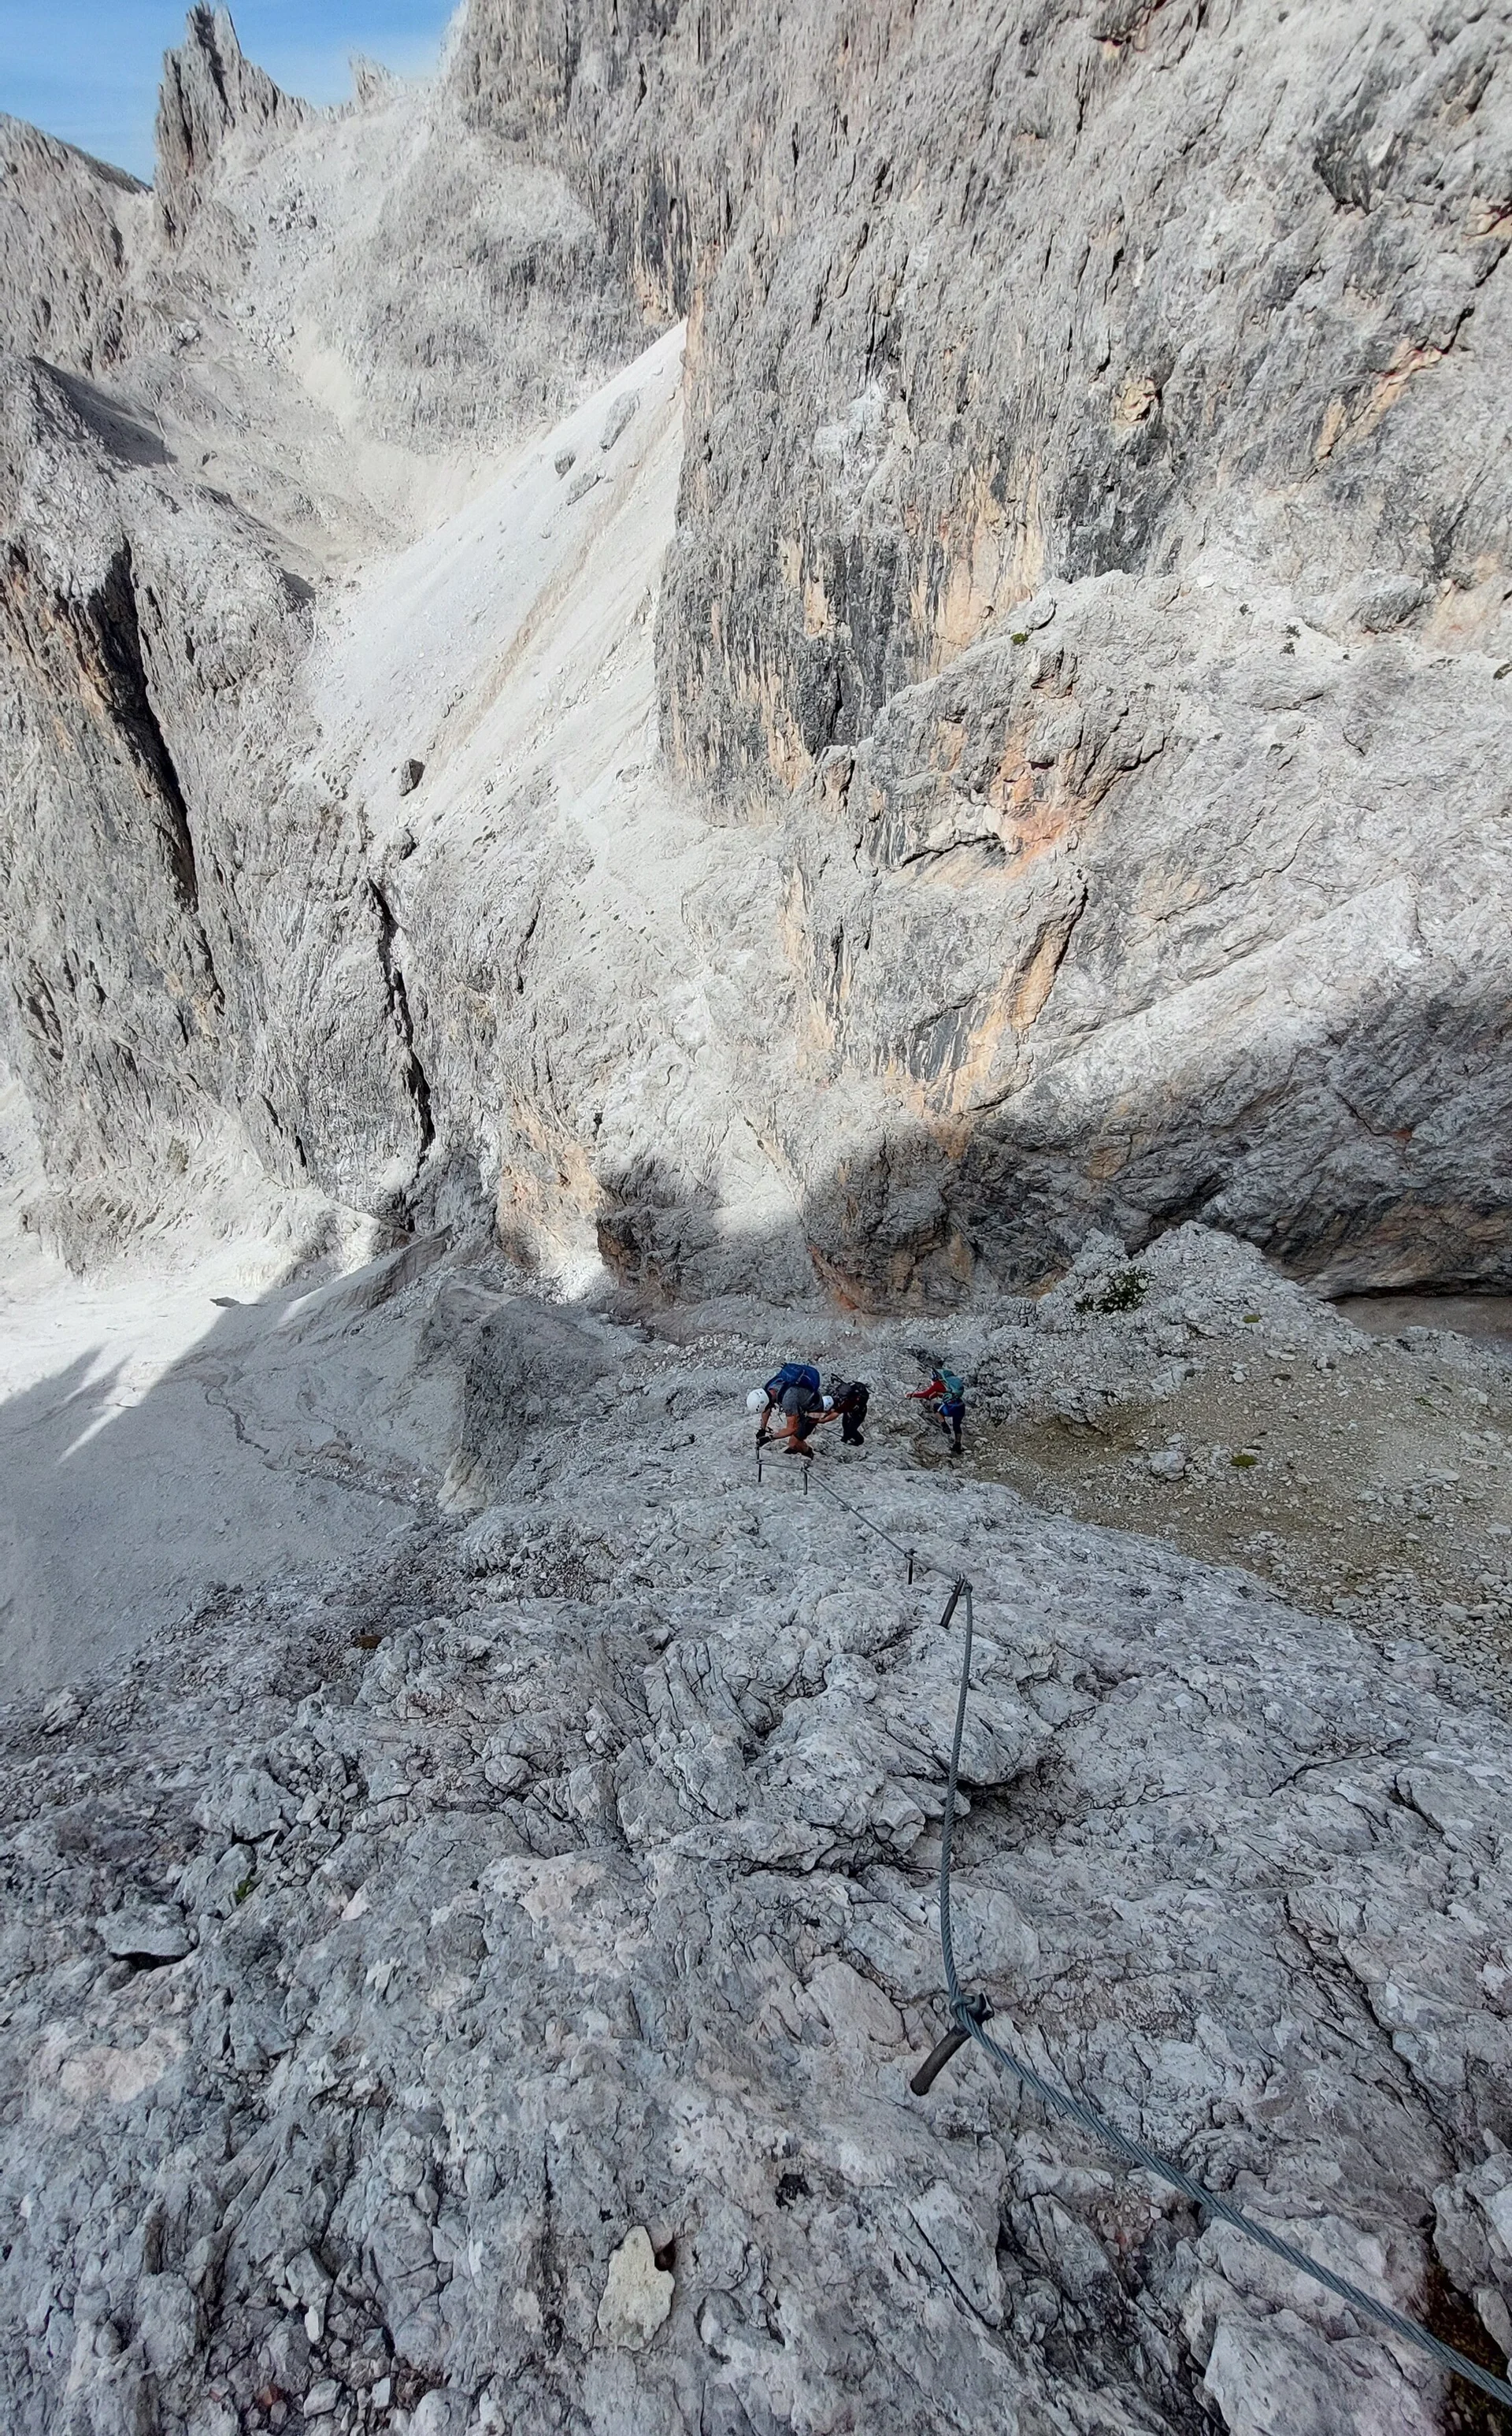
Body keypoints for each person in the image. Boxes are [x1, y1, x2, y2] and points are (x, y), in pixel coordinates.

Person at [747, 1363, 832, 1456]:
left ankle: (809, 1454)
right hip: (802, 1402)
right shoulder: (770, 1387)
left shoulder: (788, 1400)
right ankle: (800, 1436)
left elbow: (791, 1429)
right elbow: (766, 1409)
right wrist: (762, 1430)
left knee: (793, 1443)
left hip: (814, 1409)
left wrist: (770, 1438)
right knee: (796, 1425)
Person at [909, 1362, 966, 1456]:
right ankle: (957, 1445)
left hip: (950, 1408)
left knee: (936, 1407)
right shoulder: (948, 1385)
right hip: (960, 1407)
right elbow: (940, 1394)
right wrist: (932, 1396)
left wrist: (912, 1395)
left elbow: (925, 1394)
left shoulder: (938, 1384)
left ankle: (944, 1425)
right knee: (957, 1426)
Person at [825, 1377, 870, 1445]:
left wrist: (824, 1419)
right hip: (854, 1410)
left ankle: (859, 1440)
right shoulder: (848, 1400)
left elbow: (836, 1412)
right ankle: (845, 1438)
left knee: (851, 1428)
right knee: (846, 1424)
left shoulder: (848, 1401)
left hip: (859, 1412)